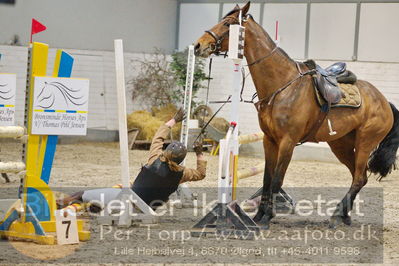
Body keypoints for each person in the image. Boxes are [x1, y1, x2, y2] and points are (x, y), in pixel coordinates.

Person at [57, 108, 206, 211]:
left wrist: (173, 120)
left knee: (81, 194)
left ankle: (58, 205)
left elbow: (158, 137)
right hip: (148, 209)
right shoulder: (183, 174)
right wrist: (199, 154)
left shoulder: (155, 158)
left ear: (166, 152)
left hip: (129, 201)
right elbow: (201, 174)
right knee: (97, 204)